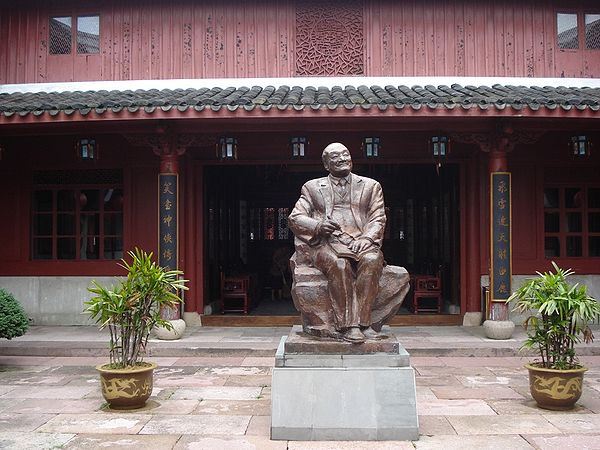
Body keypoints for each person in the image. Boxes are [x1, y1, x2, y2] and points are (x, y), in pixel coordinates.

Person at [288, 142, 386, 343]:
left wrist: (366, 239)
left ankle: (364, 323)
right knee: (339, 265)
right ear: (326, 165)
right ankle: (348, 326)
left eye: (345, 154)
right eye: (335, 157)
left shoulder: (370, 186)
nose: (342, 159)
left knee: (373, 260)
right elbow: (295, 217)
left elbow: (378, 217)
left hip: (359, 241)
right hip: (326, 243)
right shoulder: (312, 187)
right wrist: (317, 225)